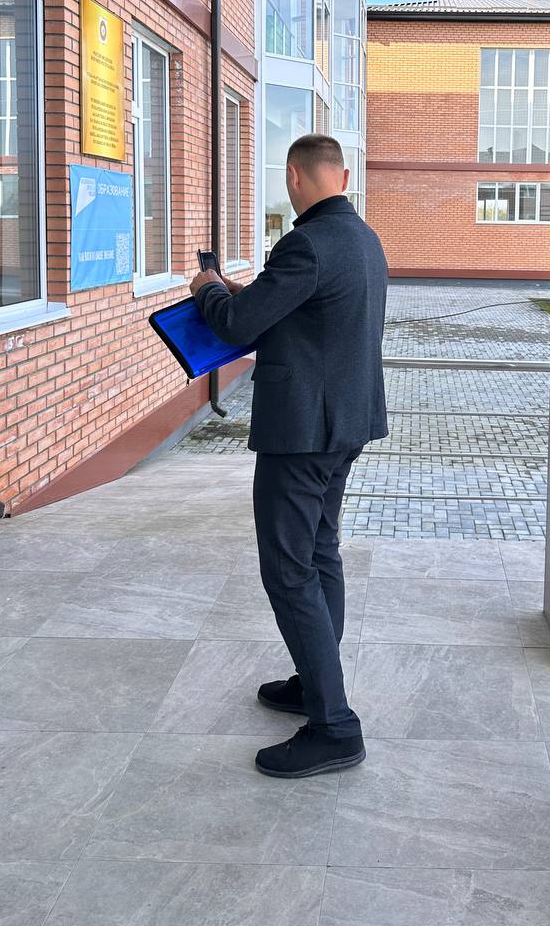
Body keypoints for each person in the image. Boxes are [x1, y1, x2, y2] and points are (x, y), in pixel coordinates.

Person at [189, 133, 388, 779]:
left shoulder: (305, 243)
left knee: (289, 567)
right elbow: (303, 313)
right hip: (346, 423)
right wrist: (243, 293)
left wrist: (207, 288)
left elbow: (236, 325)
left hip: (302, 431)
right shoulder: (362, 237)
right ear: (343, 176)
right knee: (320, 551)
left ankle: (334, 727)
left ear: (294, 177)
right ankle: (313, 682)